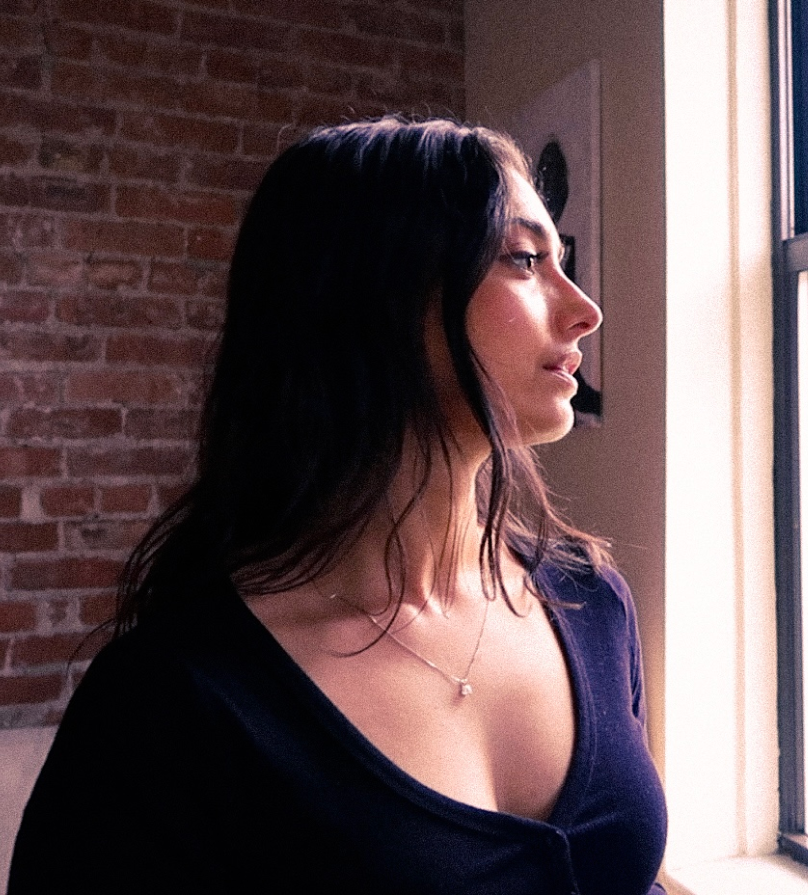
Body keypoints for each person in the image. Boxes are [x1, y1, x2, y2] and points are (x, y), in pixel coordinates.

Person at [9, 116, 667, 894]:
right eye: (524, 259)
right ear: (378, 295)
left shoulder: (589, 600)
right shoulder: (174, 702)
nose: (583, 308)